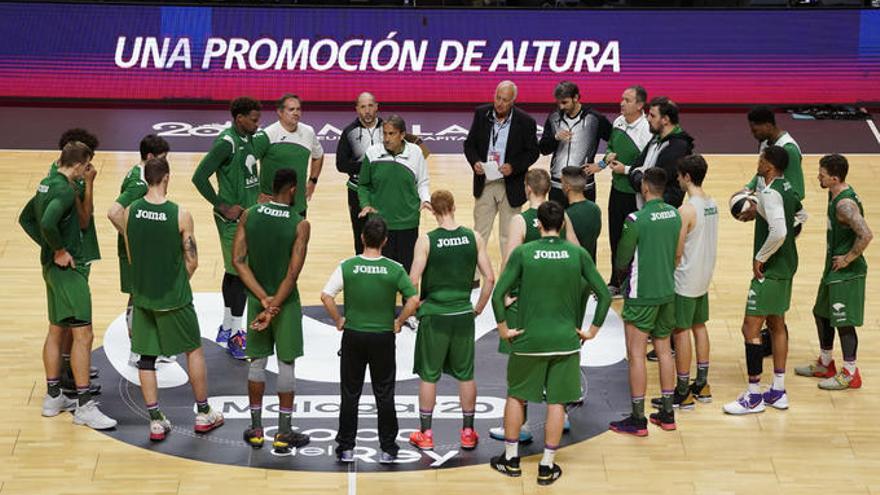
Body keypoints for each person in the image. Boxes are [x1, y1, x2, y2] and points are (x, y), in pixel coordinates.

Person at [489, 201, 610, 486]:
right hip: (566, 341)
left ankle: (511, 459)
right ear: (564, 224)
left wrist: (504, 329)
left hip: (528, 339)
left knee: (517, 396)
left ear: (539, 225)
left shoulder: (523, 253)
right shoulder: (578, 254)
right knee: (557, 402)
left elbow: (498, 295)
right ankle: (546, 466)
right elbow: (604, 294)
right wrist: (592, 330)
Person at [121, 157, 224, 441]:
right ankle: (204, 414)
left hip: (142, 296)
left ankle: (155, 420)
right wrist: (176, 284)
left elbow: (131, 255)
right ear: (166, 178)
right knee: (193, 350)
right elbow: (192, 261)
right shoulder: (180, 214)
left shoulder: (130, 211)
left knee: (146, 358)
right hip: (174, 297)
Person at [19, 141, 116, 429]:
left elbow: (27, 219)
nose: (87, 171)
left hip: (50, 269)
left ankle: (53, 396)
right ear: (78, 165)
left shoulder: (46, 184)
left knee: (56, 330)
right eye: (86, 166)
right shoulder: (63, 190)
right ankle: (85, 405)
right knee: (83, 334)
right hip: (68, 272)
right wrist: (60, 250)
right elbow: (47, 221)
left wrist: (49, 250)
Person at [488, 169, 580, 443]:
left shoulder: (521, 220)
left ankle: (522, 425)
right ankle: (560, 415)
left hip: (527, 302)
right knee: (557, 360)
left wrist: (503, 295)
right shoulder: (562, 217)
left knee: (523, 368)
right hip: (559, 300)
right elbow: (578, 252)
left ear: (527, 188)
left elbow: (510, 258)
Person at [320, 216, 420, 464]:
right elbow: (414, 300)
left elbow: (326, 296)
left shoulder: (348, 265)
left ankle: (346, 448)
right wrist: (399, 321)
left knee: (350, 393)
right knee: (384, 393)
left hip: (353, 336)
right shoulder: (395, 268)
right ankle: (387, 448)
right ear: (385, 241)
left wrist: (338, 320)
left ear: (362, 238)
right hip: (383, 338)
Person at [407, 190, 495, 452]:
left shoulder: (426, 240)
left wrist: (414, 308)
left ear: (432, 211)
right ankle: (468, 432)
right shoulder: (473, 236)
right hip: (462, 313)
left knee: (429, 375)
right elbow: (489, 278)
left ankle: (426, 433)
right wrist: (477, 308)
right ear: (454, 206)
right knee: (466, 374)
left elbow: (412, 281)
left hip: (434, 315)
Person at [723, 146, 807, 415]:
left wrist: (761, 257)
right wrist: (760, 211)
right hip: (787, 265)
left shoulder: (770, 193)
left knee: (750, 328)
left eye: (761, 159)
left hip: (770, 270)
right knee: (777, 324)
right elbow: (800, 217)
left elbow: (780, 230)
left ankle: (754, 395)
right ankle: (778, 390)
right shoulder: (787, 187)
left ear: (768, 165)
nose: (758, 162)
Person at [232, 168, 311, 452]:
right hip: (285, 303)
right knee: (286, 364)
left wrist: (263, 300)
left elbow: (238, 261)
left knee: (256, 362)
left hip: (257, 298)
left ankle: (256, 429)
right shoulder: (300, 224)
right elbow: (292, 274)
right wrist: (275, 304)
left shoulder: (249, 214)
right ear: (291, 190)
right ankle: (283, 432)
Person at [609, 167, 682, 436]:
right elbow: (677, 252)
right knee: (664, 351)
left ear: (645, 188)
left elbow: (622, 257)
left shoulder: (635, 219)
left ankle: (638, 418)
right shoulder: (675, 214)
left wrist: (620, 275)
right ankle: (667, 412)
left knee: (636, 355)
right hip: (667, 291)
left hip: (641, 295)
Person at [191, 96, 261, 360]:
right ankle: (235, 336)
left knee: (233, 273)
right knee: (242, 274)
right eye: (253, 120)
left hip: (247, 217)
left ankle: (225, 327)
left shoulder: (250, 138)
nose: (257, 124)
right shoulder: (226, 143)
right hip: (232, 219)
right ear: (239, 118)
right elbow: (199, 177)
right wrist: (221, 205)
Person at [795, 154, 871, 390]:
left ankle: (850, 373)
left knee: (844, 322)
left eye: (822, 174)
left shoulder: (844, 204)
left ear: (835, 178)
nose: (818, 176)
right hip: (832, 269)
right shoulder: (834, 192)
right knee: (821, 313)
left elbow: (866, 234)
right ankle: (825, 363)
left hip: (846, 272)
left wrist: (848, 258)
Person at [651, 155, 718, 411]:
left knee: (680, 332)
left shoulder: (686, 210)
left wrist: (667, 271)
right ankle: (702, 384)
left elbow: (676, 251)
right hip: (704, 275)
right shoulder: (712, 204)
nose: (677, 179)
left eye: (679, 176)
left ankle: (682, 391)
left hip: (685, 278)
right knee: (699, 326)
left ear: (687, 177)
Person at [336, 92, 430, 254]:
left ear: (377, 107)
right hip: (358, 190)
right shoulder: (349, 132)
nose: (367, 110)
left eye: (370, 106)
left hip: (388, 194)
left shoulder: (388, 126)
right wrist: (370, 166)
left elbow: (421, 149)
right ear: (357, 109)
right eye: (363, 106)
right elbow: (341, 164)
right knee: (362, 238)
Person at [107, 134, 171, 367]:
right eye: (163, 159)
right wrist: (134, 239)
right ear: (151, 157)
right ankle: (138, 350)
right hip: (135, 251)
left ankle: (146, 347)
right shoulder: (139, 183)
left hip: (139, 250)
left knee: (141, 294)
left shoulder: (139, 172)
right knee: (139, 296)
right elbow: (114, 212)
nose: (167, 163)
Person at [50, 129, 102, 395]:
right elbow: (83, 219)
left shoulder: (53, 175)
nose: (90, 167)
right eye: (88, 162)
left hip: (66, 256)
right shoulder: (72, 182)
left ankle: (68, 370)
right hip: (72, 257)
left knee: (62, 322)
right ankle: (71, 376)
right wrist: (90, 183)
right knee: (74, 324)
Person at [586, 86, 651, 296]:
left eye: (628, 100)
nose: (622, 103)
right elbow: (611, 150)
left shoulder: (647, 130)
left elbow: (649, 166)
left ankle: (632, 283)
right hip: (617, 190)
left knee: (633, 239)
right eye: (622, 99)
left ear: (640, 105)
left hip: (636, 194)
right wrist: (602, 165)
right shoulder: (619, 122)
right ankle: (616, 281)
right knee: (615, 237)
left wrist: (627, 170)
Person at [463, 80, 539, 257]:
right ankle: (474, 282)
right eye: (498, 98)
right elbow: (469, 145)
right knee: (479, 234)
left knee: (509, 237)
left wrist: (513, 167)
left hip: (510, 184)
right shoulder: (482, 113)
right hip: (486, 182)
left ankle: (509, 282)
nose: (499, 103)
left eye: (505, 100)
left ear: (513, 101)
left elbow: (533, 153)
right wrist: (475, 162)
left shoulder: (526, 121)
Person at [357, 114, 430, 273]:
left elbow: (422, 182)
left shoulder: (416, 153)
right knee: (383, 273)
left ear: (402, 135)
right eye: (384, 133)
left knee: (407, 272)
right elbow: (363, 185)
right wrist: (366, 204)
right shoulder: (372, 153)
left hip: (408, 221)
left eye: (392, 134)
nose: (387, 138)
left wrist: (426, 199)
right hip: (380, 224)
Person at [539, 80, 611, 206]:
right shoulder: (554, 118)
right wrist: (555, 137)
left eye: (565, 102)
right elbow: (543, 149)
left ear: (576, 97)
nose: (561, 107)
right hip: (557, 185)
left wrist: (601, 164)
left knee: (582, 225)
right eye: (559, 103)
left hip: (583, 186)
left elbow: (616, 142)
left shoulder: (594, 119)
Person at [252, 94, 324, 217]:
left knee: (300, 235)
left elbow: (318, 156)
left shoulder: (308, 132)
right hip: (271, 207)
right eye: (291, 109)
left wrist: (313, 181)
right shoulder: (267, 135)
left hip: (298, 205)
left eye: (298, 109)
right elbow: (247, 164)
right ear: (280, 112)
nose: (296, 113)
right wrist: (256, 194)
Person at [619, 96, 694, 209]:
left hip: (661, 214)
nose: (648, 119)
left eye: (652, 116)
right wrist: (638, 175)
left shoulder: (677, 148)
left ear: (665, 120)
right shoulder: (656, 139)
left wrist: (638, 176)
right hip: (647, 210)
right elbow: (633, 170)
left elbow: (654, 185)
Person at [744, 106, 804, 200]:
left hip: (779, 211)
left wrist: (770, 206)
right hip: (764, 206)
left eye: (755, 130)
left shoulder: (789, 149)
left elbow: (797, 193)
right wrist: (748, 188)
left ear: (768, 126)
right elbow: (763, 171)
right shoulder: (765, 143)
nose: (753, 134)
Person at [561, 166, 602, 262]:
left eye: (561, 182)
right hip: (590, 264)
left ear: (567, 187)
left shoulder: (567, 216)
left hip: (573, 268)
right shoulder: (595, 209)